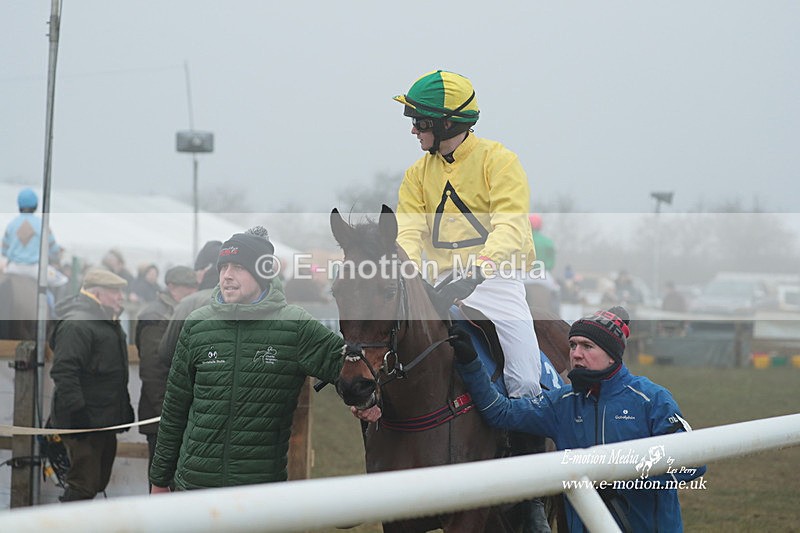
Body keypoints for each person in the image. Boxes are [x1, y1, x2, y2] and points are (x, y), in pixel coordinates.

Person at [451, 306, 706, 532]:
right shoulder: (562, 403)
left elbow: (693, 464)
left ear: (612, 354)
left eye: (587, 346)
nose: (576, 354)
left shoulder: (652, 399)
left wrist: (623, 477)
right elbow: (501, 412)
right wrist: (471, 364)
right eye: (573, 345)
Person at [149, 227, 344, 491]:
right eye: (223, 267)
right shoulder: (197, 324)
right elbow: (174, 410)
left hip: (258, 493)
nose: (227, 275)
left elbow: (351, 369)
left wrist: (363, 401)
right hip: (194, 487)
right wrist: (159, 480)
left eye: (238, 267)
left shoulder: (294, 325)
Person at [393, 69, 542, 400]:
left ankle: (528, 423)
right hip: (439, 282)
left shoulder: (500, 161)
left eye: (419, 121)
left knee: (525, 381)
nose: (413, 129)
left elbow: (510, 227)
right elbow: (409, 233)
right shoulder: (416, 174)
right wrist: (409, 275)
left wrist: (478, 270)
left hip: (496, 281)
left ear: (446, 124)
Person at [49, 268, 135, 501]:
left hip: (102, 419)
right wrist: (77, 411)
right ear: (97, 293)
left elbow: (113, 374)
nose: (120, 297)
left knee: (96, 481)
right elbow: (64, 371)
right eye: (115, 291)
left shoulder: (106, 322)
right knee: (83, 485)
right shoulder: (78, 323)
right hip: (84, 419)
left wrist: (122, 409)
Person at [135, 265, 199, 483]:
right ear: (171, 287)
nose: (192, 292)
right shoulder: (155, 316)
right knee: (162, 480)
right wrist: (166, 413)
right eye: (186, 287)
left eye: (194, 287)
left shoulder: (181, 311)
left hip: (175, 412)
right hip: (161, 415)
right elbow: (153, 370)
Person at [156, 240, 223, 368]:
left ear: (205, 270)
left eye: (197, 270)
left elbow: (167, 352)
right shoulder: (245, 299)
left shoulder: (190, 303)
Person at [2, 187, 63, 280]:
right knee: (62, 280)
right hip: (36, 269)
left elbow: (4, 251)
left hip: (13, 268)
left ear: (19, 205)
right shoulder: (42, 224)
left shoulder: (11, 225)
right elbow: (54, 250)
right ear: (36, 205)